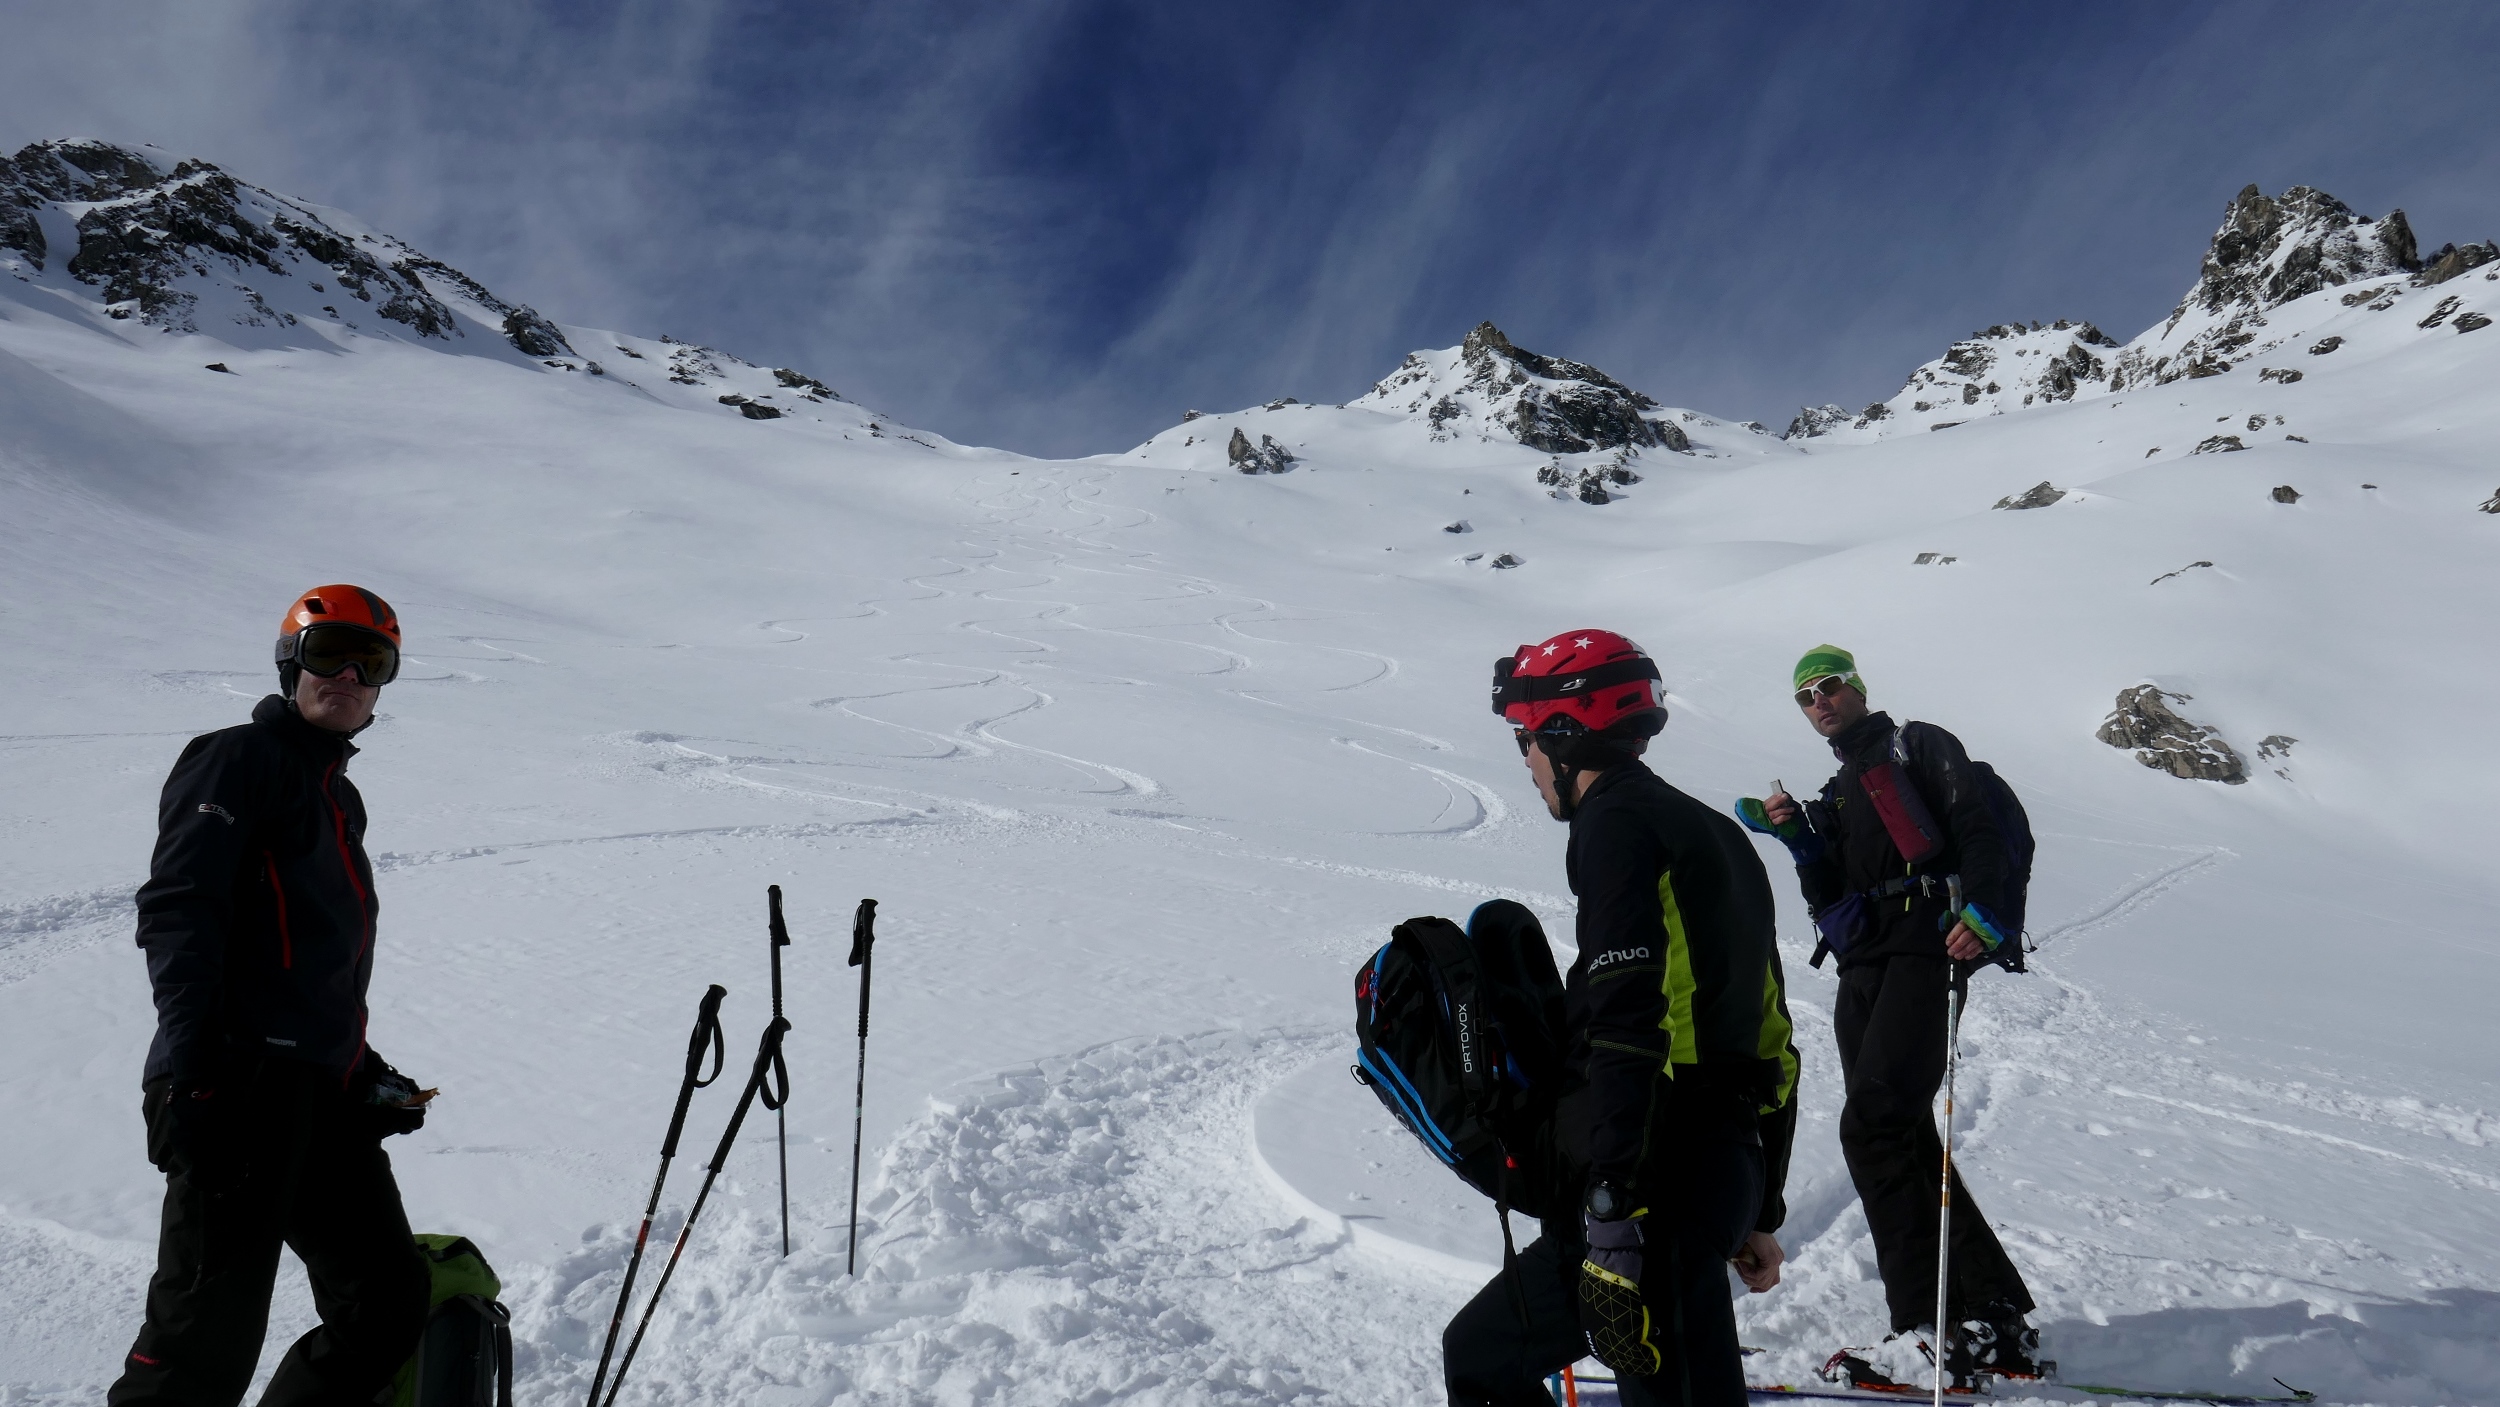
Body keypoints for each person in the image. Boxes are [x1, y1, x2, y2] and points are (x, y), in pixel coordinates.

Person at [1444, 629, 1801, 1407]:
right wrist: (1756, 1205)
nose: (1528, 761)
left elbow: (1627, 1022)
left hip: (1653, 1181)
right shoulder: (1720, 834)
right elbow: (1774, 1033)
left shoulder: (1615, 826)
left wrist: (1612, 1215)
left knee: (1492, 1359)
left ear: (1566, 734)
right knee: (1482, 1351)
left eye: (1526, 739)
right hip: (1716, 1166)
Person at [110, 585, 434, 1407]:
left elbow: (308, 962)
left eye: (374, 664)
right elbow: (182, 909)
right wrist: (195, 1069)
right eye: (329, 655)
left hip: (317, 1089)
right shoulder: (236, 758)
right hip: (232, 1077)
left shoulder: (338, 794)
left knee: (387, 1302)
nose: (351, 676)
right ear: (292, 661)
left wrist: (363, 1071)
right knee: (201, 1345)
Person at [1754, 644, 2041, 1388]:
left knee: (1874, 1125)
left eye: (1829, 685)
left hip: (1925, 947)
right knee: (1902, 1129)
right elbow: (1832, 897)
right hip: (1865, 967)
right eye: (1805, 695)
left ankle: (1928, 1328)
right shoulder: (1839, 788)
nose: (1819, 700)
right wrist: (1798, 840)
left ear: (1856, 686)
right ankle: (1990, 1315)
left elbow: (1976, 826)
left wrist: (1983, 910)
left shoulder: (1918, 745)